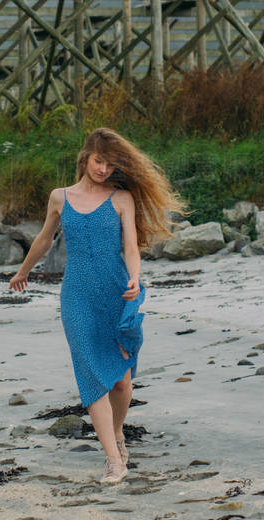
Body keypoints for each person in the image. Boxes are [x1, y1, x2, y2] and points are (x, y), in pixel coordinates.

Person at [10, 128, 185, 484]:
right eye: (98, 161)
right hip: (76, 296)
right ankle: (112, 460)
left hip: (116, 292)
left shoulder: (121, 199)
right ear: (85, 157)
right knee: (91, 376)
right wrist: (23, 270)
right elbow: (45, 237)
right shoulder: (60, 197)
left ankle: (117, 434)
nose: (103, 169)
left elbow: (132, 247)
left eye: (109, 164)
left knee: (121, 383)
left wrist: (135, 278)